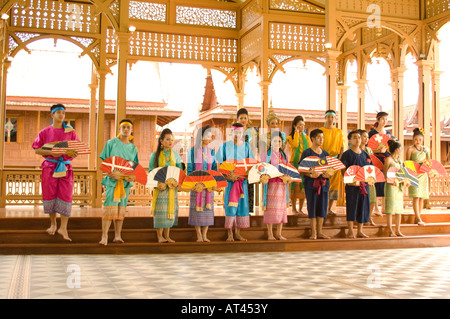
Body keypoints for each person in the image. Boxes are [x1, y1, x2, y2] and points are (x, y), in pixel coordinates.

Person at [32, 104, 79, 242]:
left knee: (66, 195)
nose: (61, 115)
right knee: (49, 194)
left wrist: (71, 153)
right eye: (58, 112)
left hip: (65, 167)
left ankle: (63, 227)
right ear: (52, 115)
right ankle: (53, 224)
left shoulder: (70, 132)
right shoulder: (45, 132)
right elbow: (37, 149)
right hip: (49, 166)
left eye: (63, 113)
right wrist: (54, 151)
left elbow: (76, 149)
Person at [98, 119, 138, 246]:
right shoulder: (111, 143)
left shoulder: (133, 148)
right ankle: (104, 235)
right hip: (112, 181)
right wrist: (110, 173)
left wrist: (132, 176)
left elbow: (134, 166)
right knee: (109, 207)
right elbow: (104, 162)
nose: (126, 129)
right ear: (119, 129)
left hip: (125, 183)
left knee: (121, 209)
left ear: (131, 130)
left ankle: (117, 235)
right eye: (124, 127)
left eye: (128, 127)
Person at [216, 123, 254, 241]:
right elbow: (220, 165)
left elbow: (251, 164)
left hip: (242, 182)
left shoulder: (247, 146)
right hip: (230, 183)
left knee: (242, 206)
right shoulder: (225, 146)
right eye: (235, 132)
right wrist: (227, 177)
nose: (237, 134)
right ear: (231, 133)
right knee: (230, 206)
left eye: (240, 132)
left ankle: (238, 233)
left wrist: (244, 175)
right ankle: (230, 234)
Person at [149, 128, 183, 243]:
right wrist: (157, 184)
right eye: (167, 139)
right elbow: (151, 172)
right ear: (161, 141)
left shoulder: (176, 156)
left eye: (171, 139)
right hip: (160, 188)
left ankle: (167, 236)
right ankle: (159, 236)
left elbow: (180, 172)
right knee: (161, 212)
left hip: (171, 189)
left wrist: (175, 182)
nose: (170, 142)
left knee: (170, 211)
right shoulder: (155, 155)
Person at [299, 129, 332, 240]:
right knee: (312, 207)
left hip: (323, 184)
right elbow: (301, 169)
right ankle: (313, 233)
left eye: (322, 137)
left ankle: (320, 232)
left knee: (322, 208)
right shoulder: (307, 152)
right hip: (311, 185)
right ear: (312, 138)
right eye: (319, 137)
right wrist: (310, 174)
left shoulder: (325, 153)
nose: (321, 140)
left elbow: (329, 169)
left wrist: (328, 174)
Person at [187, 125, 218, 242]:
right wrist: (194, 184)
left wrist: (214, 183)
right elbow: (189, 170)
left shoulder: (212, 152)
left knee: (207, 211)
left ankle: (205, 235)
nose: (209, 138)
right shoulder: (192, 152)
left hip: (208, 186)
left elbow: (214, 169)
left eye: (210, 136)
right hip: (197, 186)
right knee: (197, 210)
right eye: (207, 135)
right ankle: (199, 235)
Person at [340, 131, 372, 238]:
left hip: (364, 186)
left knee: (363, 207)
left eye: (359, 137)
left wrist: (370, 180)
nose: (358, 139)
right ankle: (350, 231)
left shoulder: (365, 154)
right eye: (354, 138)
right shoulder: (346, 154)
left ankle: (360, 231)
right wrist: (349, 180)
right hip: (352, 186)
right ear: (349, 140)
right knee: (351, 207)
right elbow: (343, 170)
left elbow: (370, 169)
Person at [261, 132, 291, 240]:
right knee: (270, 209)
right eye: (274, 141)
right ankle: (270, 233)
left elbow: (287, 169)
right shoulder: (266, 155)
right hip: (271, 184)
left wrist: (287, 177)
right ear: (270, 142)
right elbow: (262, 169)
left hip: (282, 185)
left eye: (279, 141)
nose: (277, 143)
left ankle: (279, 233)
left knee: (281, 209)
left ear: (281, 142)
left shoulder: (284, 155)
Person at [369, 111, 396, 215]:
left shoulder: (388, 134)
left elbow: (392, 149)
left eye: (386, 119)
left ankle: (385, 207)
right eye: (383, 119)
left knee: (386, 182)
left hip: (386, 160)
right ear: (378, 120)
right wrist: (378, 151)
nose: (385, 121)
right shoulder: (371, 133)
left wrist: (388, 151)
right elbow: (368, 148)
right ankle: (375, 208)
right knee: (376, 182)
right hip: (375, 160)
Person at [320, 110, 345, 216]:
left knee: (334, 184)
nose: (330, 119)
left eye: (332, 117)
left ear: (335, 119)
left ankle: (331, 208)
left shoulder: (339, 132)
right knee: (323, 182)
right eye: (328, 117)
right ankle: (323, 207)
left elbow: (342, 147)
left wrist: (339, 159)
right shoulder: (321, 131)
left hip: (335, 160)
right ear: (325, 118)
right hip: (324, 159)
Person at [384, 139, 409, 237]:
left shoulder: (400, 161)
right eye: (400, 149)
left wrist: (405, 181)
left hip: (399, 186)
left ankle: (398, 229)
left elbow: (403, 174)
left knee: (399, 209)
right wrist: (391, 180)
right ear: (397, 150)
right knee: (390, 209)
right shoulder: (389, 160)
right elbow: (385, 174)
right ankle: (390, 230)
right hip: (391, 185)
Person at [286, 115, 310, 216]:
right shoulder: (290, 137)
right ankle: (294, 209)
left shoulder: (307, 138)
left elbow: (308, 150)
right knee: (294, 186)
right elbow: (295, 145)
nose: (302, 127)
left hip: (304, 165)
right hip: (294, 164)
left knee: (303, 186)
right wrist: (296, 133)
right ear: (295, 125)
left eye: (303, 125)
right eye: (300, 125)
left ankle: (300, 209)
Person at [406, 128, 430, 226]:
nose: (418, 142)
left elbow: (429, 162)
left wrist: (425, 163)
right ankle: (417, 217)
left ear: (423, 140)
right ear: (413, 139)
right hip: (414, 174)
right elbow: (407, 163)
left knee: (421, 197)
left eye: (420, 139)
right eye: (416, 139)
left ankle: (419, 216)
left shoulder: (426, 149)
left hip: (423, 174)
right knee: (416, 196)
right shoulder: (410, 149)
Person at [236, 108, 258, 213]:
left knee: (248, 186)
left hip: (249, 161)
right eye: (241, 118)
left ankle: (247, 212)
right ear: (237, 119)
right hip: (237, 162)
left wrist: (252, 163)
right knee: (237, 187)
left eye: (245, 118)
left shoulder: (252, 132)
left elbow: (253, 147)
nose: (243, 120)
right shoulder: (234, 132)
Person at [358, 129, 378, 225]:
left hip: (369, 176)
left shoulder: (369, 150)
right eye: (364, 136)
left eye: (367, 137)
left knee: (372, 197)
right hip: (360, 177)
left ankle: (369, 217)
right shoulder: (356, 150)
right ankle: (361, 218)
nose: (366, 139)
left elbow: (372, 163)